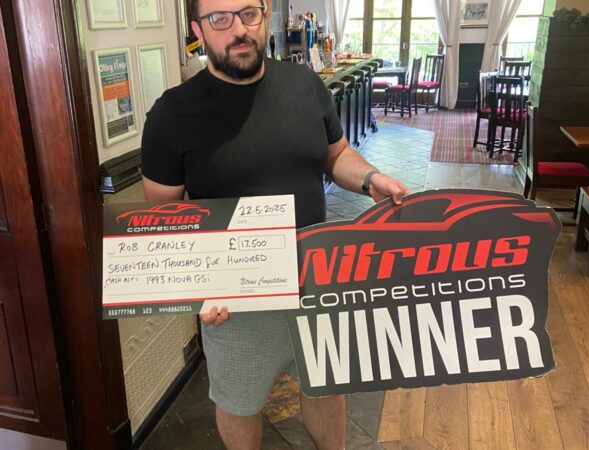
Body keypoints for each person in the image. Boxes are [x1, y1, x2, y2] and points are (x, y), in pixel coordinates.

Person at [141, 0, 410, 448]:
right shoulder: (171, 115)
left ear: (265, 15)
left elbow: (337, 155)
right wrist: (198, 288)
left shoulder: (306, 85)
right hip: (235, 297)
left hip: (317, 276)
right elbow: (163, 221)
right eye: (219, 19)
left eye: (249, 13)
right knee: (239, 402)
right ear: (198, 30)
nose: (239, 29)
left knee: (327, 387)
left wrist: (370, 178)